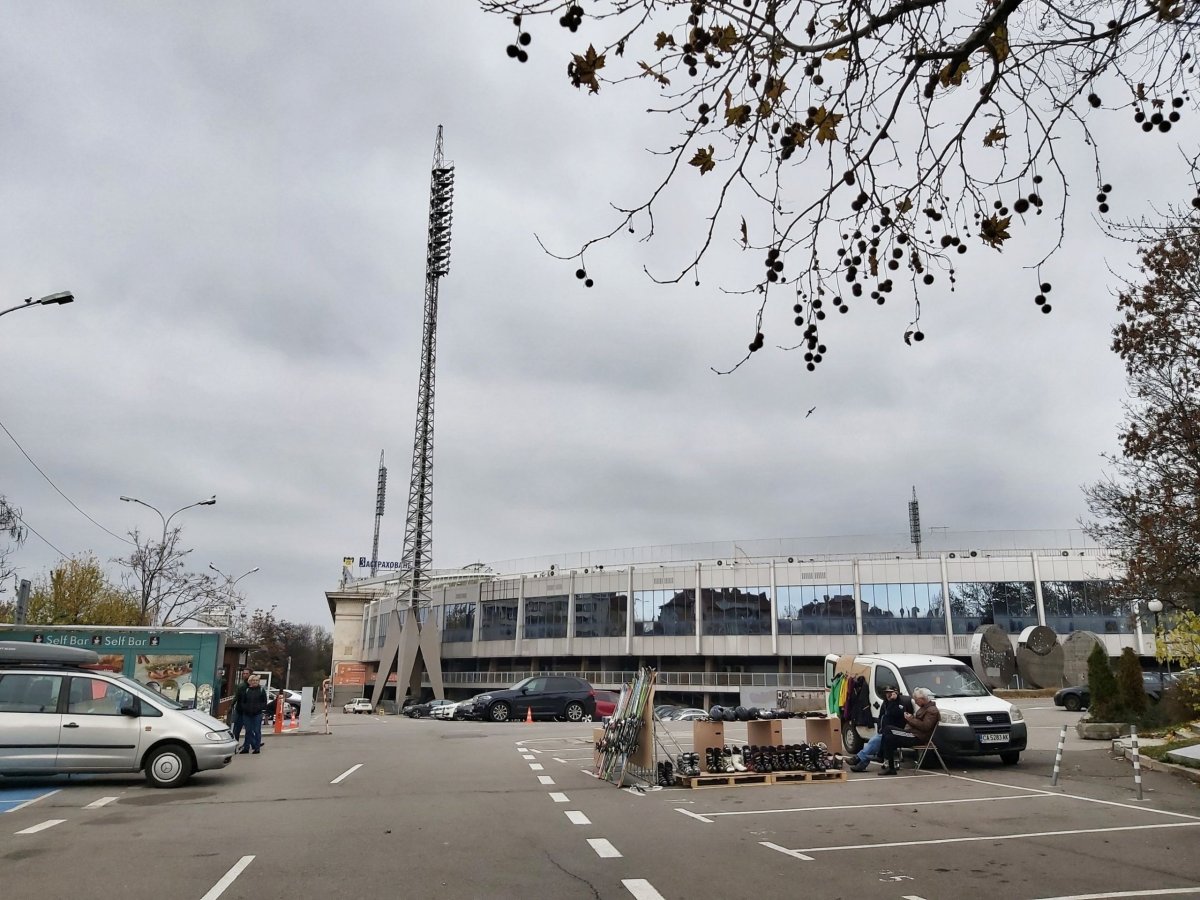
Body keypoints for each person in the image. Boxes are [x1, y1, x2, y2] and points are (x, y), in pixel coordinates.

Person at [876, 686, 940, 775]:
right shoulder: (924, 708)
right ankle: (889, 765)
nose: (916, 703)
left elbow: (926, 726)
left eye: (916, 700)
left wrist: (911, 719)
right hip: (913, 734)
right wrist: (911, 718)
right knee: (888, 734)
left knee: (888, 730)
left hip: (918, 737)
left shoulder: (932, 711)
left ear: (922, 699)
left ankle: (881, 756)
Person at [847, 686, 909, 772]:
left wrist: (894, 700)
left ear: (895, 693)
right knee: (872, 743)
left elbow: (893, 713)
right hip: (884, 732)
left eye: (890, 692)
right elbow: (881, 718)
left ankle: (858, 759)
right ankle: (860, 764)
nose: (888, 695)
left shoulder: (900, 704)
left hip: (895, 732)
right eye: (887, 693)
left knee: (874, 741)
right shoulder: (885, 703)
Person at [235, 673, 269, 755]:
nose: (255, 682)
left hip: (257, 714)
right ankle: (246, 748)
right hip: (247, 714)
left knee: (257, 731)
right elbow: (242, 701)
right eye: (253, 680)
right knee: (248, 731)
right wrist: (245, 708)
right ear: (250, 681)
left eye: (257, 680)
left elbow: (264, 701)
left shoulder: (261, 690)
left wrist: (260, 708)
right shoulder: (247, 690)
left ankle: (257, 748)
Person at [230, 668, 251, 743]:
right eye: (244, 673)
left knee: (250, 729)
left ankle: (252, 743)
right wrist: (231, 705)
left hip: (249, 711)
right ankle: (236, 742)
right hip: (240, 710)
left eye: (247, 673)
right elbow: (236, 696)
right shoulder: (241, 686)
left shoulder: (252, 686)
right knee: (237, 728)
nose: (245, 675)